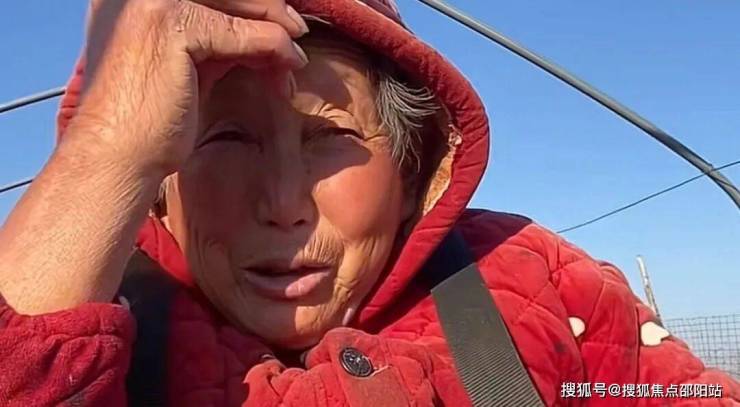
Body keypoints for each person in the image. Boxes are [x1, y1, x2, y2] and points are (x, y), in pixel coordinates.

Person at [0, 0, 737, 405]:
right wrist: (103, 147)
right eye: (224, 138)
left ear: (412, 171)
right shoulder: (96, 315)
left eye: (330, 137)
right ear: (158, 188)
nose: (284, 204)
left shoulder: (533, 279)